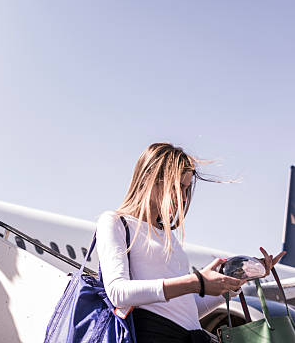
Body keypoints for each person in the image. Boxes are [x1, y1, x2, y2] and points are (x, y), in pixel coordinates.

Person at [95, 143, 285, 343]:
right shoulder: (115, 221)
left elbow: (187, 310)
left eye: (186, 189)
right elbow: (118, 292)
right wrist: (196, 282)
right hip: (155, 334)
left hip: (188, 336)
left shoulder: (165, 235)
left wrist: (234, 279)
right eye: (178, 187)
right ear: (151, 179)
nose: (183, 197)